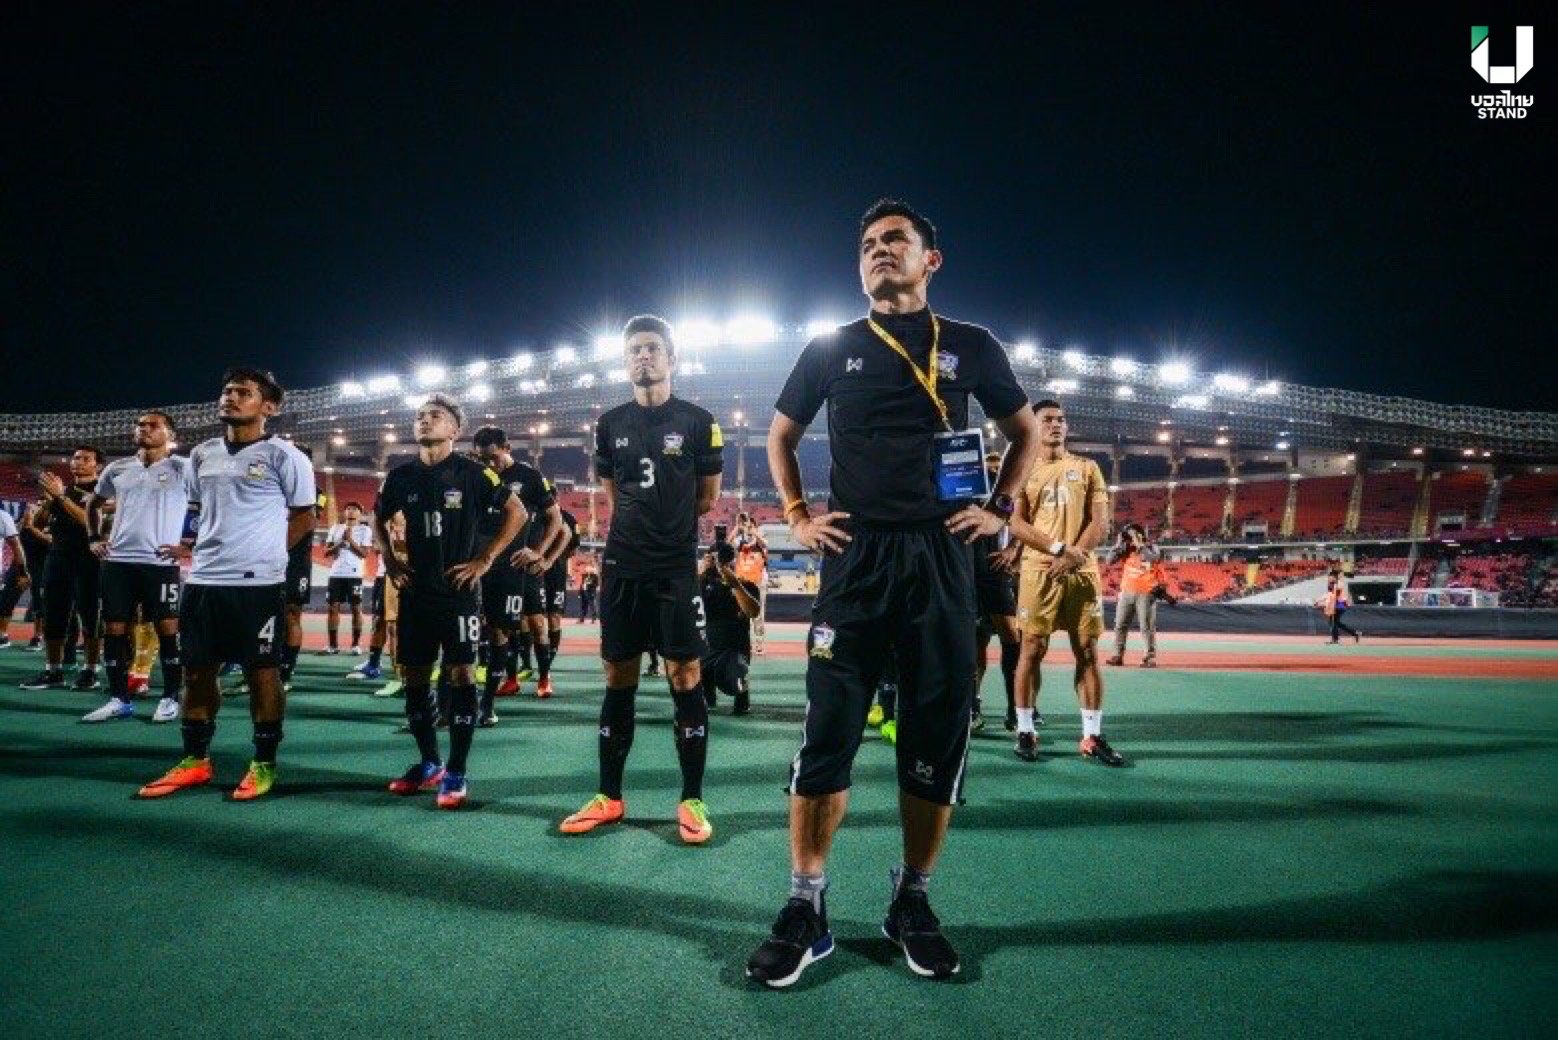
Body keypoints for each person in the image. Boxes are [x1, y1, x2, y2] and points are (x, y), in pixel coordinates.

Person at [747, 199, 1038, 987]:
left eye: (895, 240)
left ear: (930, 259)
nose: (879, 251)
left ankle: (913, 899)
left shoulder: (972, 345)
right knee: (829, 730)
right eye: (868, 244)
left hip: (942, 555)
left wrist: (1001, 508)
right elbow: (781, 434)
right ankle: (806, 905)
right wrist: (797, 515)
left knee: (934, 733)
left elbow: (1024, 431)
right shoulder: (831, 347)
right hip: (855, 554)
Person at [559, 314, 723, 844]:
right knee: (618, 675)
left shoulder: (699, 421)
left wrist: (666, 531)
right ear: (625, 360)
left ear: (671, 358)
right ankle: (609, 796)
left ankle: (691, 799)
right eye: (634, 350)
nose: (643, 356)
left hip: (674, 567)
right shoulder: (610, 423)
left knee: (686, 675)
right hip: (623, 565)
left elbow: (707, 497)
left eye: (652, 348)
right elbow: (613, 493)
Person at [137, 368, 317, 800]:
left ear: (268, 406)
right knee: (197, 671)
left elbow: (305, 516)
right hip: (203, 580)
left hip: (258, 585)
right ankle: (195, 760)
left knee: (262, 673)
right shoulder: (202, 454)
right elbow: (197, 510)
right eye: (227, 391)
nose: (230, 398)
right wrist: (189, 546)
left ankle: (264, 763)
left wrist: (270, 553)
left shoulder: (286, 456)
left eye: (243, 392)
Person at [375, 395, 525, 809]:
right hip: (415, 592)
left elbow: (517, 512)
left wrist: (485, 559)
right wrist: (389, 558)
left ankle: (456, 769)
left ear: (455, 430)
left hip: (458, 593)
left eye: (435, 416)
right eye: (420, 416)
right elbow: (378, 517)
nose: (424, 421)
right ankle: (429, 763)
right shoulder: (399, 476)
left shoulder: (474, 473)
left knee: (461, 673)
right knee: (414, 677)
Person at [1004, 400, 1125, 768]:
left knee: (1087, 651)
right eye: (1047, 420)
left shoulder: (1088, 468)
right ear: (1035, 425)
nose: (1056, 425)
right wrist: (1059, 550)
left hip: (1081, 572)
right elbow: (1016, 524)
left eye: (1061, 420)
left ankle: (1092, 736)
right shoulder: (1023, 471)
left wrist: (1075, 555)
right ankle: (1026, 730)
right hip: (1039, 570)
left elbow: (1099, 523)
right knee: (1031, 649)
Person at [80, 411, 195, 723]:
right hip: (118, 562)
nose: (144, 428)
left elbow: (212, 503)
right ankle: (119, 699)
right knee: (114, 630)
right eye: (140, 425)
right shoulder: (118, 468)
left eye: (153, 425)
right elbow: (93, 503)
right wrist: (93, 538)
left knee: (167, 630)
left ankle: (170, 697)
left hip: (160, 563)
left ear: (170, 435)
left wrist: (190, 544)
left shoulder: (183, 468)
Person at [470, 426, 561, 720]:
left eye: (493, 457)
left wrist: (540, 552)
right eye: (483, 459)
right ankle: (479, 692)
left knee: (510, 628)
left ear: (507, 448)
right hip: (478, 561)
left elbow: (556, 519)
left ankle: (493, 701)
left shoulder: (530, 477)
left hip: (513, 566)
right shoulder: (478, 476)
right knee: (479, 629)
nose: (489, 464)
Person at [21, 447, 106, 691]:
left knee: (91, 617)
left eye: (85, 459)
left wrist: (60, 498)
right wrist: (48, 503)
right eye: (75, 458)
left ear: (98, 466)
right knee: (53, 616)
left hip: (89, 561)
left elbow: (89, 521)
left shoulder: (102, 491)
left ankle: (90, 671)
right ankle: (53, 671)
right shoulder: (63, 490)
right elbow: (38, 525)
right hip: (57, 559)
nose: (78, 462)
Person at [972, 451, 1022, 731]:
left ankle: (1016, 707)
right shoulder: (967, 488)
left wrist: (1012, 549)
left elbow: (1025, 521)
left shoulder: (1009, 493)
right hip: (967, 570)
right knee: (974, 641)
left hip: (995, 569)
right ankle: (972, 707)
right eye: (989, 468)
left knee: (1011, 636)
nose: (993, 472)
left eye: (997, 468)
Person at [699, 539, 760, 714]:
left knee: (737, 684)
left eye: (724, 559)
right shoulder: (701, 584)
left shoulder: (746, 585)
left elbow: (753, 612)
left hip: (734, 651)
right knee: (703, 699)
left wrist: (735, 585)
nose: (720, 564)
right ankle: (708, 690)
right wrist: (703, 571)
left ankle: (742, 696)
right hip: (706, 649)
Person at [281, 474, 324, 690]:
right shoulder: (274, 483)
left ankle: (286, 671)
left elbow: (312, 519)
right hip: (269, 560)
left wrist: (279, 546)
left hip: (296, 561)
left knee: (291, 613)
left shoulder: (317, 492)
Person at [1106, 522, 1163, 667]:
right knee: (1120, 625)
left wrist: (1140, 545)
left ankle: (1149, 658)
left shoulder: (1152, 547)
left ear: (1140, 534)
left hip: (1146, 593)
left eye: (1132, 534)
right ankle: (1117, 655)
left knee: (1146, 627)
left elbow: (1153, 559)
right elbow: (1109, 561)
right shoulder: (1125, 548)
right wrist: (1118, 544)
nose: (1129, 538)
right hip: (1126, 592)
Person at [321, 501, 375, 655]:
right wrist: (340, 543)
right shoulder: (335, 528)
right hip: (336, 574)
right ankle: (333, 645)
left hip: (354, 574)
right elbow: (326, 552)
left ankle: (355, 645)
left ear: (360, 513)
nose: (351, 511)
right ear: (344, 512)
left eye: (355, 509)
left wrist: (350, 541)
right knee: (333, 608)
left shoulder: (365, 530)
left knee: (356, 608)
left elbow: (364, 554)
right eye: (348, 508)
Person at [543, 507, 581, 669]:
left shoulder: (569, 518)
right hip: (533, 572)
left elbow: (573, 548)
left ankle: (549, 660)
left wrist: (554, 557)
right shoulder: (533, 512)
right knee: (530, 618)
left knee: (554, 616)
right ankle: (527, 662)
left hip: (556, 573)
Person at [733, 512, 770, 653]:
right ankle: (743, 643)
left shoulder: (760, 540)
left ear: (755, 527)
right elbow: (728, 544)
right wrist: (737, 528)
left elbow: (765, 543)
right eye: (746, 524)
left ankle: (759, 643)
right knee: (742, 610)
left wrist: (754, 532)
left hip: (759, 579)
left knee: (759, 612)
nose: (747, 527)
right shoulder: (740, 540)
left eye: (750, 525)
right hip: (743, 579)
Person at [0, 508, 31, 649]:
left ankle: (2, 635)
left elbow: (16, 546)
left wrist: (22, 573)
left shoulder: (2, 516)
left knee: (5, 604)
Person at [1321, 572, 1360, 644]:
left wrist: (1329, 605)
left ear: (1334, 577)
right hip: (1336, 605)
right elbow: (1329, 595)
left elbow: (1335, 596)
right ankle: (1354, 633)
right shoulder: (1331, 584)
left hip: (1339, 605)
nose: (1329, 578)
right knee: (1335, 622)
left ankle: (1335, 639)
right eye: (1329, 577)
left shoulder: (1338, 584)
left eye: (1330, 577)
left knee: (1333, 622)